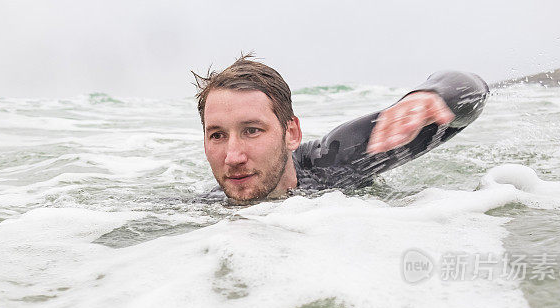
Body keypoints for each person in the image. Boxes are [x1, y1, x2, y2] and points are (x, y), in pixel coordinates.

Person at [193, 54, 489, 203]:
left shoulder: (334, 163)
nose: (232, 156)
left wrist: (431, 96)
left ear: (291, 134)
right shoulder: (203, 205)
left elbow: (471, 90)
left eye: (251, 130)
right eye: (217, 135)